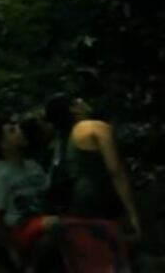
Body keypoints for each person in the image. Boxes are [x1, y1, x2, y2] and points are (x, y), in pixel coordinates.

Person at [44, 95, 139, 272]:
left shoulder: (61, 142)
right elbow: (115, 170)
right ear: (74, 109)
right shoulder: (94, 127)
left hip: (71, 215)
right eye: (79, 100)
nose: (84, 101)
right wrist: (132, 213)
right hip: (99, 212)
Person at [0, 118, 55, 272]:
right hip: (19, 228)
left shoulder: (33, 166)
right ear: (3, 144)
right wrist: (10, 249)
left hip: (41, 219)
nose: (20, 132)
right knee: (54, 226)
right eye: (12, 131)